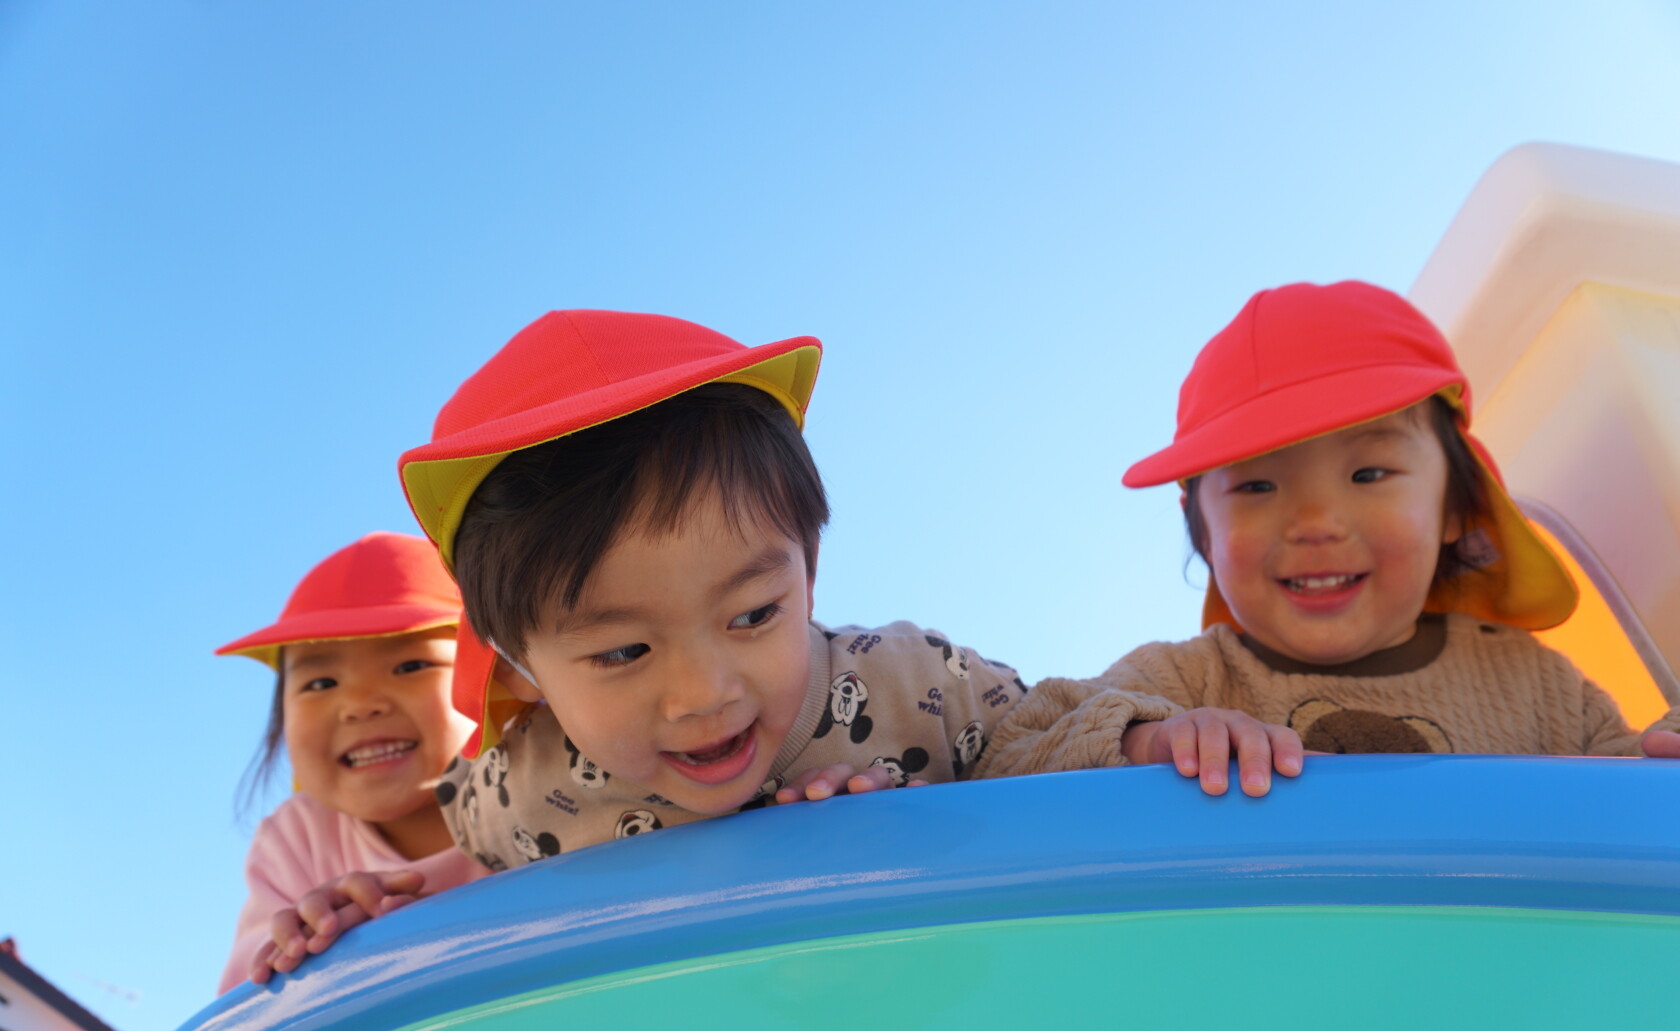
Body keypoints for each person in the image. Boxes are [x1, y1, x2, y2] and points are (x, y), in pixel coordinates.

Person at [973, 281, 1680, 798]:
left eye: (1368, 473)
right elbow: (1005, 756)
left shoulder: (1539, 684)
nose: (1314, 522)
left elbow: (1635, 806)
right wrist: (1146, 742)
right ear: (1206, 535)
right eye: (1258, 486)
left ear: (1456, 509)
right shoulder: (1184, 681)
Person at [393, 310, 1028, 871]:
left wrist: (944, 821)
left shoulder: (917, 689)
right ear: (518, 667)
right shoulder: (518, 785)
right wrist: (386, 903)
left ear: (807, 575)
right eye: (624, 652)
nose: (704, 694)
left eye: (753, 614)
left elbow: (1058, 738)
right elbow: (471, 878)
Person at [215, 532, 484, 992]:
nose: (360, 705)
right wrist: (305, 941)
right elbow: (248, 999)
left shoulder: (555, 782)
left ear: (499, 676)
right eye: (321, 684)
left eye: (410, 666)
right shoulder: (298, 837)